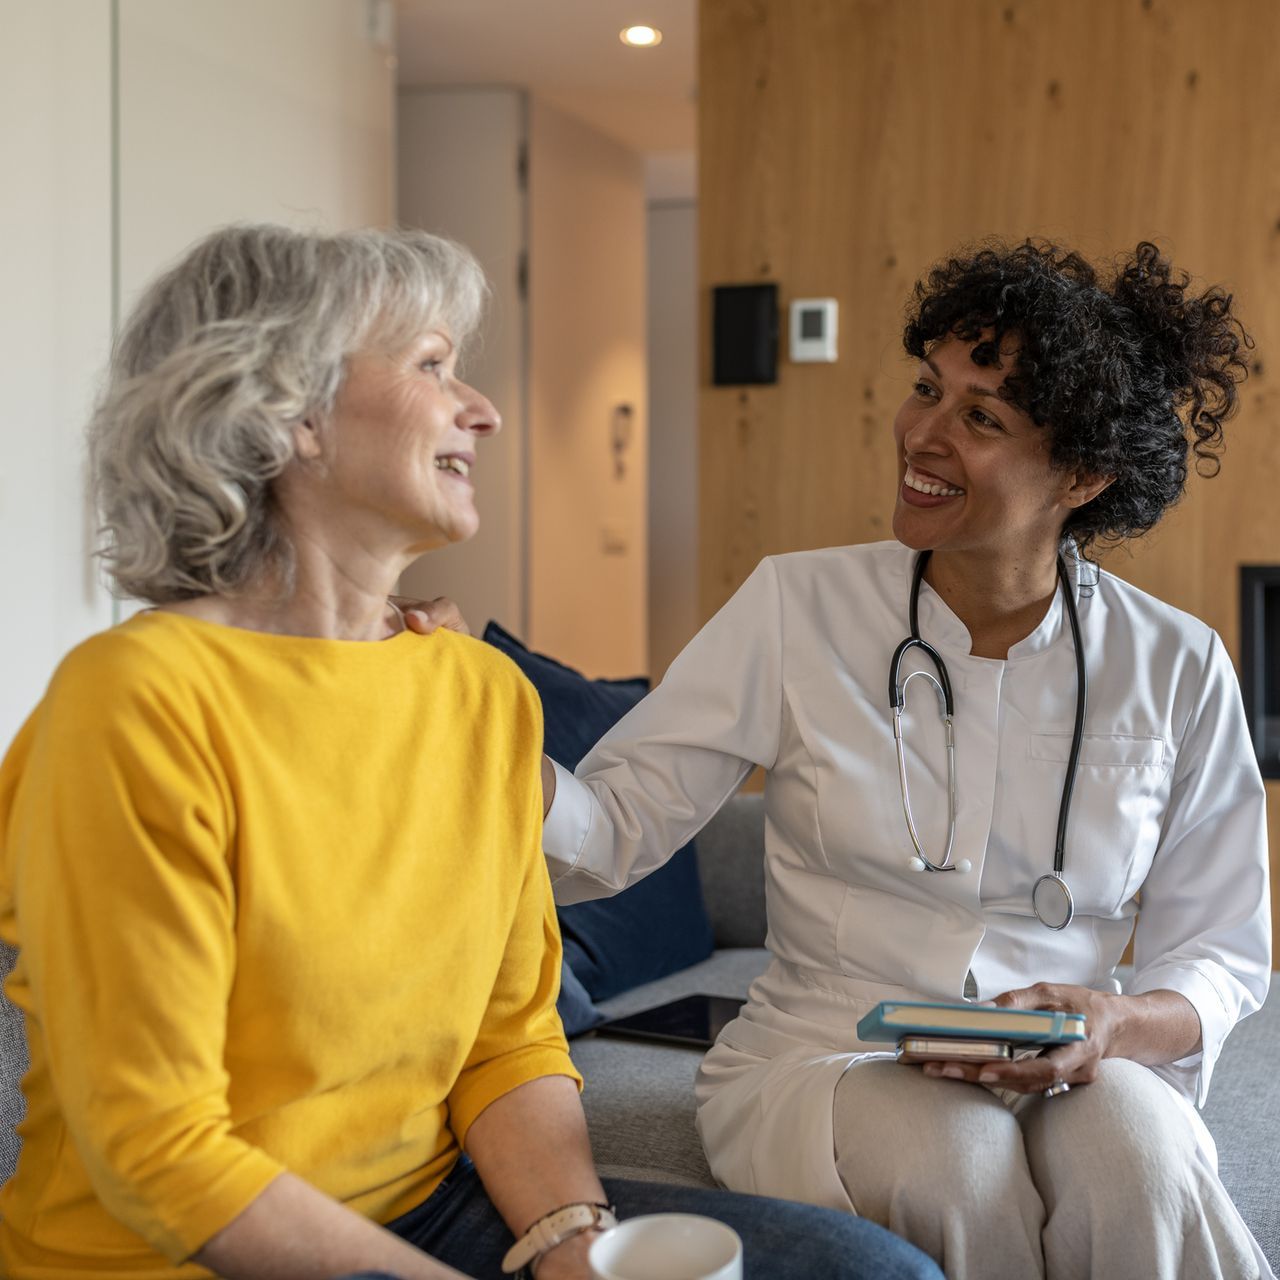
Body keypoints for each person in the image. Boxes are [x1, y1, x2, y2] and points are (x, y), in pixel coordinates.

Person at [0, 224, 941, 1280]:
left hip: (435, 1207)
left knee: (871, 1274)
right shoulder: (134, 704)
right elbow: (157, 1148)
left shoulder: (479, 695)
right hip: (175, 1252)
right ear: (287, 408)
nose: (482, 410)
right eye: (434, 365)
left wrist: (573, 1242)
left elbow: (510, 1038)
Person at [535, 240, 1273, 1279]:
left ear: (1081, 474)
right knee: (954, 1159)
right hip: (829, 1046)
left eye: (980, 416)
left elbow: (1221, 951)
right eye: (928, 387)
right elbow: (612, 825)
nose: (920, 433)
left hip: (1070, 1053)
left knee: (1140, 1163)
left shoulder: (1176, 662)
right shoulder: (797, 606)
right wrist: (466, 735)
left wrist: (1108, 1019)